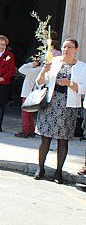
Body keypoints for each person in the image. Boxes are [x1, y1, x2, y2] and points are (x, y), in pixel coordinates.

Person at [34, 38, 86, 183]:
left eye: (69, 47)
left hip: (67, 106)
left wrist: (70, 84)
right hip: (51, 104)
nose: (66, 50)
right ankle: (40, 168)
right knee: (45, 138)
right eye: (64, 47)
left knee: (63, 140)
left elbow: (83, 88)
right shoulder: (54, 61)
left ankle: (58, 172)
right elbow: (39, 82)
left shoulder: (82, 67)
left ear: (76, 49)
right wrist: (44, 71)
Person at [15, 58, 42, 138]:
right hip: (33, 93)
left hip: (28, 93)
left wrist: (31, 64)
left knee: (26, 113)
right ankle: (30, 130)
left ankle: (26, 131)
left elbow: (21, 69)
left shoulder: (35, 70)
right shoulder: (40, 70)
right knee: (30, 114)